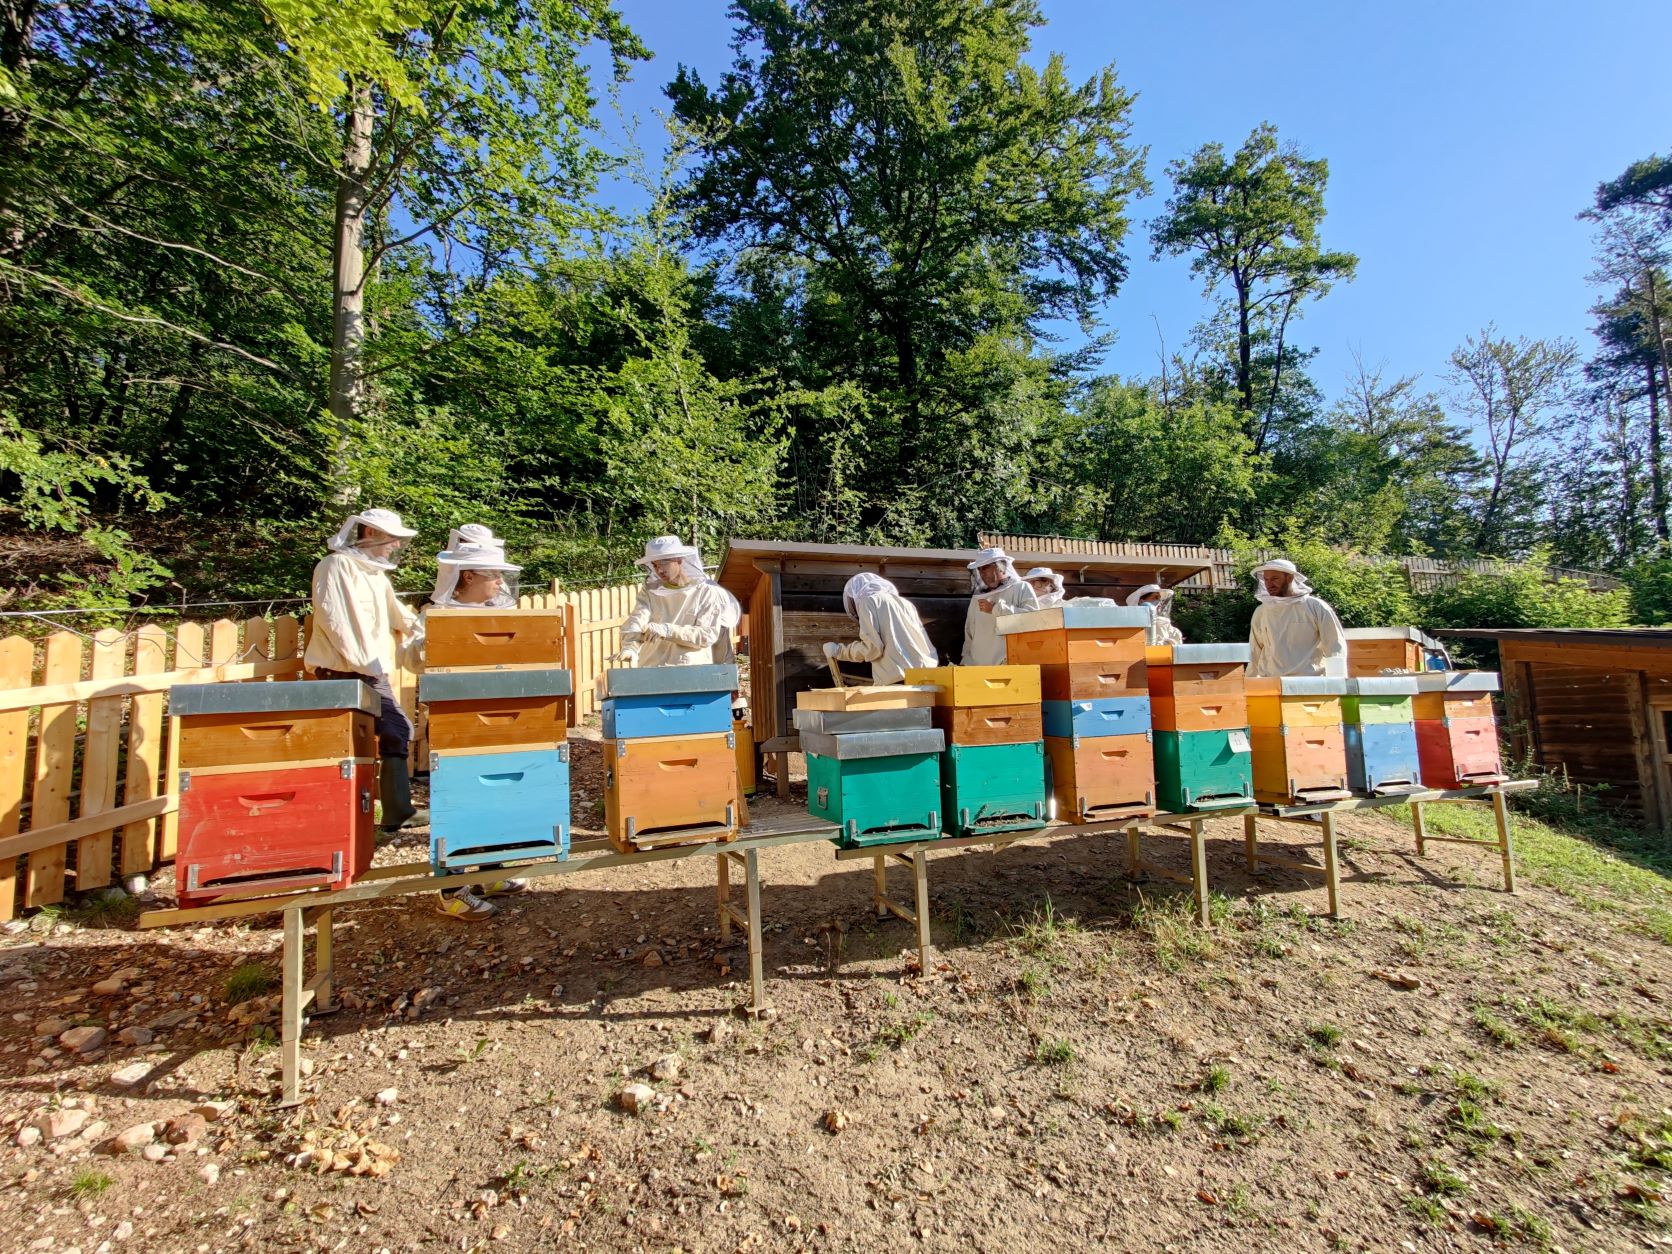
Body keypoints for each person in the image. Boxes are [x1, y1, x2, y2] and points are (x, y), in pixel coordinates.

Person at [424, 539, 529, 919]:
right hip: (456, 722)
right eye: (494, 576)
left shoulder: (496, 614)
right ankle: (450, 889)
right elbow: (418, 660)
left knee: (497, 797)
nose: (500, 584)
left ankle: (491, 873)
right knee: (459, 805)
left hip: (496, 714)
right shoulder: (436, 615)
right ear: (467, 575)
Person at [304, 508, 425, 838]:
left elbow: (399, 615)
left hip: (367, 670)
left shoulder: (374, 573)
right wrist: (368, 668)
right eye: (392, 538)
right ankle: (381, 816)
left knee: (396, 731)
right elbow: (339, 622)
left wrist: (433, 627)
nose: (397, 545)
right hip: (343, 671)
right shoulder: (336, 566)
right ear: (370, 533)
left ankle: (396, 811)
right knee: (386, 732)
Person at [618, 536, 734, 667]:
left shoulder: (706, 592)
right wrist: (630, 646)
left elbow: (707, 635)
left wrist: (668, 630)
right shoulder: (650, 591)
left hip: (691, 671)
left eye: (663, 563)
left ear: (679, 560)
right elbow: (637, 619)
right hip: (651, 668)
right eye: (655, 565)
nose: (659, 570)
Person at [821, 573, 938, 685]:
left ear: (855, 594)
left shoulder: (868, 602)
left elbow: (873, 648)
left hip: (898, 680)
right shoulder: (905, 603)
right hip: (927, 676)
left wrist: (839, 651)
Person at [1247, 559, 1347, 678]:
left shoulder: (1316, 607)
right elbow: (1255, 652)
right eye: (1266, 579)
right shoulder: (1261, 612)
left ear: (1289, 578)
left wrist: (1338, 682)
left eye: (1274, 579)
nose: (1269, 584)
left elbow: (1335, 646)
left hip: (1310, 683)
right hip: (1271, 683)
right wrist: (1249, 683)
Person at [961, 546, 1035, 666]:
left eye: (985, 568)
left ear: (1001, 567)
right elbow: (969, 631)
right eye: (979, 569)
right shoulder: (978, 598)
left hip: (1010, 665)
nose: (981, 573)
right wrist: (966, 659)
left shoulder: (1021, 588)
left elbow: (1032, 619)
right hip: (977, 668)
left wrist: (996, 609)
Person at [1126, 583, 1184, 647]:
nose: (1159, 602)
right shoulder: (1132, 625)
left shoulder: (1168, 627)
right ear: (1141, 602)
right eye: (1155, 597)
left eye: (1160, 599)